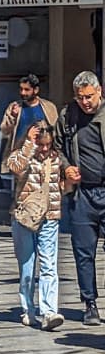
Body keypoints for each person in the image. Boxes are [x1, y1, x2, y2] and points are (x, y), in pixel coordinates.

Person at [6, 122, 74, 332]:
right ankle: (28, 308)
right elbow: (15, 168)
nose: (44, 149)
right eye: (41, 144)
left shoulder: (56, 160)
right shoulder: (23, 155)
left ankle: (49, 311)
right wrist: (29, 143)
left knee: (49, 265)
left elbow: (62, 188)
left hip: (50, 217)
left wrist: (71, 181)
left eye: (47, 145)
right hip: (24, 218)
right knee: (27, 268)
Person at [57, 71, 105, 325]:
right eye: (80, 97)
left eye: (89, 96)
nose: (85, 102)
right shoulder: (68, 116)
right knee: (83, 251)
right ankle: (90, 303)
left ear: (100, 91)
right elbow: (56, 146)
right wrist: (66, 167)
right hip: (83, 193)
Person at [0, 73, 58, 173]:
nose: (23, 93)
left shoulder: (49, 107)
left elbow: (56, 131)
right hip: (21, 154)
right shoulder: (14, 107)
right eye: (21, 89)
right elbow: (5, 130)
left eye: (27, 90)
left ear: (36, 90)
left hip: (43, 154)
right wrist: (13, 116)